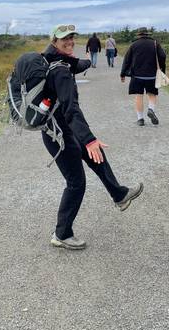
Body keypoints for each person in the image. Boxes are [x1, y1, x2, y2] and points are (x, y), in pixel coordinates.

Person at [42, 24, 144, 250]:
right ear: (54, 41)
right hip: (58, 134)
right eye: (64, 39)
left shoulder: (54, 60)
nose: (69, 42)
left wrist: (89, 60)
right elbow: (71, 110)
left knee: (96, 154)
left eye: (71, 38)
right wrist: (88, 138)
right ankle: (61, 234)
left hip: (64, 129)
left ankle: (119, 195)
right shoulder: (59, 71)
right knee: (76, 183)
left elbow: (78, 64)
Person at [120, 27, 166, 126]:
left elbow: (127, 60)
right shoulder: (155, 43)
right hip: (152, 76)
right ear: (147, 34)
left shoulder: (134, 44)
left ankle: (140, 119)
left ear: (139, 35)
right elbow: (162, 56)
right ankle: (151, 109)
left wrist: (123, 73)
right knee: (152, 94)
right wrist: (162, 70)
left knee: (138, 96)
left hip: (137, 76)